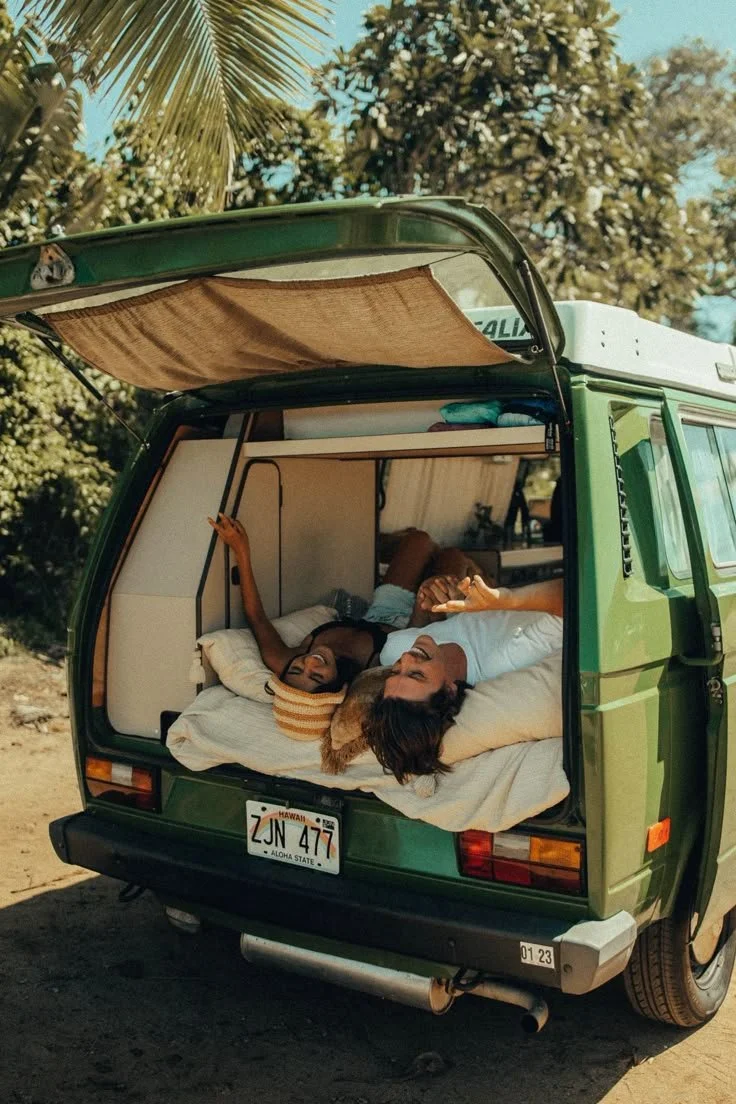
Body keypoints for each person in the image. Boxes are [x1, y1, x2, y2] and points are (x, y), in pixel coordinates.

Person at [207, 513, 480, 695]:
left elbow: (255, 616)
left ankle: (466, 570)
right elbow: (418, 637)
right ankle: (474, 572)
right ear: (337, 683)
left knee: (418, 540)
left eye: (298, 669)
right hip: (410, 629)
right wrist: (424, 602)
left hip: (381, 612)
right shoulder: (367, 674)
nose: (310, 663)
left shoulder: (281, 660)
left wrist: (241, 550)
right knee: (453, 558)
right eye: (317, 676)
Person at [363, 576, 564, 782]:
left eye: (395, 672)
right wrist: (503, 599)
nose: (405, 659)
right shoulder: (507, 660)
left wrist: (429, 600)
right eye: (417, 674)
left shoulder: (392, 650)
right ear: (450, 691)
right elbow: (575, 599)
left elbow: (425, 625)